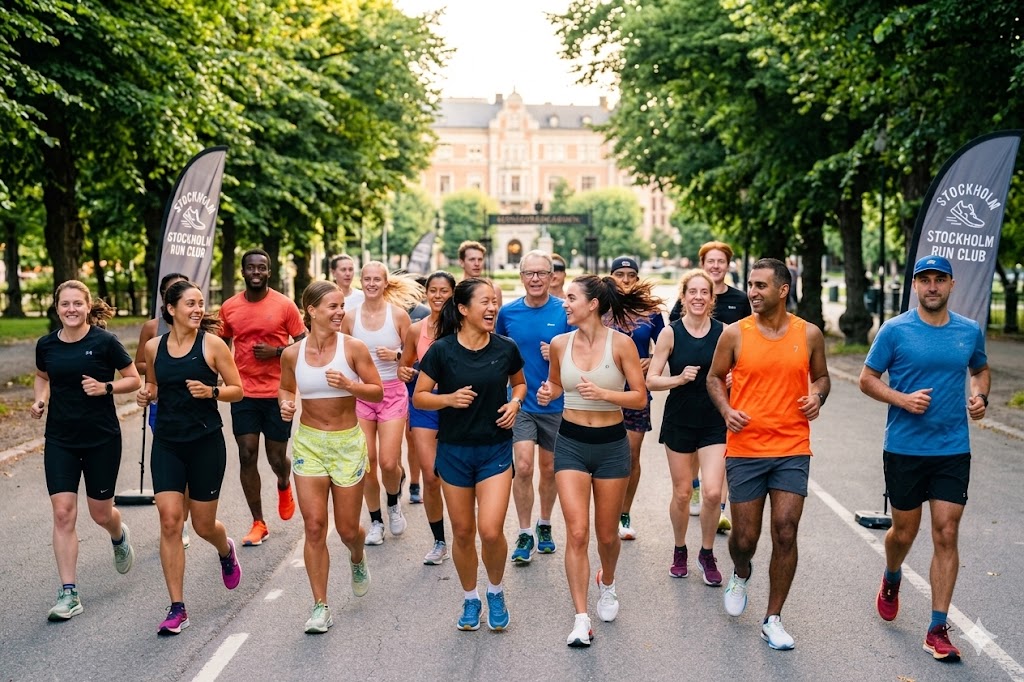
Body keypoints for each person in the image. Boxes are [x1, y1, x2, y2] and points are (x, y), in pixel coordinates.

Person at [859, 255, 989, 663]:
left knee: (946, 533)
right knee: (903, 532)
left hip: (952, 449)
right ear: (915, 286)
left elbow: (981, 370)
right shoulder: (895, 331)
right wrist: (902, 399)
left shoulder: (969, 331)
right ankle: (892, 575)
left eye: (939, 280)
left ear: (951, 285)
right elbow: (867, 379)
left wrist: (980, 396)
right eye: (925, 280)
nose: (932, 286)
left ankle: (936, 628)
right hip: (904, 449)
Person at [706, 257, 829, 651]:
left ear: (782, 290)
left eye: (760, 286)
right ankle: (741, 571)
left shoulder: (808, 334)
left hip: (792, 448)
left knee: (786, 530)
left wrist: (817, 396)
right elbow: (713, 378)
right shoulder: (734, 334)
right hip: (745, 449)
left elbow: (822, 377)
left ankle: (772, 617)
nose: (753, 293)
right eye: (751, 285)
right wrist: (726, 410)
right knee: (744, 537)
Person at [537, 274, 662, 647]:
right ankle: (580, 618)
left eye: (571, 297)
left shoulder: (621, 344)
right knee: (576, 533)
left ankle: (607, 583)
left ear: (592, 304)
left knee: (607, 535)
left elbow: (639, 398)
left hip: (611, 445)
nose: (565, 303)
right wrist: (549, 392)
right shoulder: (560, 343)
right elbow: (558, 384)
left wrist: (605, 393)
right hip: (572, 442)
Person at [413, 278, 526, 632]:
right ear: (463, 309)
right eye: (484, 302)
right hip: (454, 451)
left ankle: (495, 591)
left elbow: (519, 382)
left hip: (494, 448)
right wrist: (447, 399)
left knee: (490, 531)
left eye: (494, 301)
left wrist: (515, 401)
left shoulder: (505, 347)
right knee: (462, 532)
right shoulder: (442, 350)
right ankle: (470, 598)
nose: (492, 308)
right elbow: (419, 397)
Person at [136, 280, 245, 635]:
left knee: (202, 525)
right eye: (190, 304)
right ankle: (177, 607)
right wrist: (145, 394)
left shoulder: (212, 345)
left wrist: (211, 390)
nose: (198, 309)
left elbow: (237, 390)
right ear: (171, 309)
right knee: (170, 521)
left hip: (205, 442)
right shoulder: (154, 347)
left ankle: (224, 549)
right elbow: (153, 385)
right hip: (167, 442)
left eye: (201, 303)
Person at [32, 280, 142, 622]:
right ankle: (69, 593)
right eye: (65, 304)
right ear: (57, 307)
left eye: (77, 303)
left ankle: (118, 533)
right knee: (64, 512)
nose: (71, 310)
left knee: (100, 513)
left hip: (101, 439)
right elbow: (42, 376)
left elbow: (134, 379)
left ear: (87, 305)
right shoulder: (46, 344)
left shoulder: (105, 342)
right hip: (61, 439)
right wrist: (39, 400)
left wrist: (105, 387)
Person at [278, 281, 384, 633]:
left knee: (348, 529)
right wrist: (285, 403)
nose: (340, 312)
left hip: (346, 443)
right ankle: (320, 606)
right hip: (309, 443)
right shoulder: (292, 353)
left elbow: (377, 391)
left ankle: (357, 555)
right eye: (333, 307)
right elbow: (285, 386)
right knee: (313, 527)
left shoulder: (352, 348)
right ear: (311, 311)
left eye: (342, 306)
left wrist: (350, 386)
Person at [219, 248, 307, 547]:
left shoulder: (284, 306)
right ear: (243, 272)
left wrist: (277, 352)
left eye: (262, 268)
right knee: (246, 453)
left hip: (277, 391)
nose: (256, 272)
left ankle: (284, 483)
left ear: (269, 272)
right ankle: (258, 522)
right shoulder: (229, 307)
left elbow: (304, 344)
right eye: (251, 268)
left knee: (275, 457)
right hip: (243, 391)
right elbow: (220, 343)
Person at [647, 269, 726, 584]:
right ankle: (680, 549)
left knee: (711, 492)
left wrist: (732, 380)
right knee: (682, 493)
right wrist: (678, 379)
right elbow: (652, 378)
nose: (697, 297)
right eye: (691, 291)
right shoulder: (671, 333)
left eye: (703, 292)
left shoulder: (724, 332)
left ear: (711, 297)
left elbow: (739, 372)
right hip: (680, 419)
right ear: (683, 296)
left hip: (713, 420)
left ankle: (706, 553)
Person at [495, 250, 573, 564]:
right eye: (530, 273)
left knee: (550, 470)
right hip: (521, 402)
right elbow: (497, 353)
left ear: (553, 276)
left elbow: (583, 353)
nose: (536, 279)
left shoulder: (566, 311)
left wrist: (557, 355)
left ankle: (545, 524)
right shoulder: (508, 313)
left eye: (542, 273)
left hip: (556, 403)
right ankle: (525, 532)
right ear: (522, 276)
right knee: (524, 466)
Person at [671, 241, 750, 532]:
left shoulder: (739, 300)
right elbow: (673, 334)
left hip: (728, 385)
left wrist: (736, 374)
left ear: (728, 266)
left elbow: (748, 340)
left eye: (721, 261)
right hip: (691, 390)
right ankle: (693, 486)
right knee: (691, 451)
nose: (716, 266)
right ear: (702, 264)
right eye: (710, 261)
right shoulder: (688, 298)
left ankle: (719, 507)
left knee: (722, 449)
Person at [341, 261, 420, 545]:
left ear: (386, 283)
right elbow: (344, 355)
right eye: (367, 279)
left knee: (388, 462)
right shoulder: (350, 317)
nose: (372, 283)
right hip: (363, 393)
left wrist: (396, 356)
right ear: (361, 282)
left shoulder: (398, 316)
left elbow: (412, 357)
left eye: (377, 279)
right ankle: (375, 521)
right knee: (367, 462)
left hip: (393, 392)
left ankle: (393, 504)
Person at [398, 271, 457, 564]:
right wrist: (404, 371)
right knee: (431, 476)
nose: (437, 296)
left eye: (443, 291)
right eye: (432, 290)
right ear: (425, 294)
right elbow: (404, 365)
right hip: (424, 407)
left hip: (458, 407)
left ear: (453, 294)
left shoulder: (463, 327)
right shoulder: (415, 330)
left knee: (456, 478)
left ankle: (463, 533)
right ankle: (439, 541)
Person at [607, 256, 665, 541]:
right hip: (604, 392)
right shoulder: (601, 308)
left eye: (631, 274)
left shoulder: (651, 311)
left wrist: (652, 361)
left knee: (631, 454)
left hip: (636, 391)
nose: (626, 279)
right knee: (605, 456)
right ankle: (607, 511)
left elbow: (668, 346)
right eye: (620, 274)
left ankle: (624, 512)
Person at [136, 272, 192, 549]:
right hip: (162, 404)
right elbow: (139, 365)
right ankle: (174, 521)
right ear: (165, 300)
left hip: (192, 407)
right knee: (172, 462)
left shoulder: (199, 328)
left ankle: (182, 519)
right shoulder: (152, 328)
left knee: (190, 466)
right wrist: (164, 369)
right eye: (172, 291)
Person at [402, 274, 431, 505]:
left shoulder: (425, 314)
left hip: (420, 380)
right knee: (406, 436)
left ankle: (415, 482)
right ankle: (403, 475)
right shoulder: (390, 311)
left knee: (414, 435)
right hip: (395, 381)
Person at [458, 240, 502, 306]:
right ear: (462, 262)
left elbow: (497, 315)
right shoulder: (454, 290)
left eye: (480, 259)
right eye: (472, 259)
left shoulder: (494, 289)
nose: (477, 264)